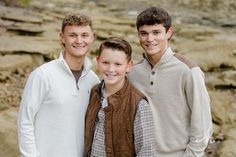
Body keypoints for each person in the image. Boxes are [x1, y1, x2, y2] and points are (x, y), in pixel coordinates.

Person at [127, 7, 213, 157]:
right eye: (144, 33)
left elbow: (202, 127)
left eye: (156, 32)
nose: (149, 39)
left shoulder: (189, 71)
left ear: (169, 32)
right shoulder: (133, 73)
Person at [17, 13, 100, 157]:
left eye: (84, 35)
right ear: (62, 37)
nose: (79, 40)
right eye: (73, 35)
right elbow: (25, 121)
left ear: (92, 37)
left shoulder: (94, 80)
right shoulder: (42, 75)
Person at [83, 37, 156, 157]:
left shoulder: (139, 105)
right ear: (98, 61)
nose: (111, 69)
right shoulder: (93, 92)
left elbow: (146, 152)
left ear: (128, 66)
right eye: (105, 63)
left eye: (117, 64)